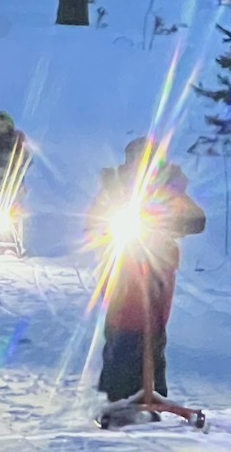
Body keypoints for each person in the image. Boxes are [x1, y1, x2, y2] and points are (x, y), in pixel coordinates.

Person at [87, 138, 205, 405]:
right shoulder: (115, 187)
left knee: (153, 323)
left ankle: (152, 388)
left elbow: (195, 218)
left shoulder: (167, 189)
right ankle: (119, 392)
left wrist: (176, 224)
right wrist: (104, 229)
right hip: (122, 261)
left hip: (159, 262)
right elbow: (94, 220)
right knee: (123, 321)